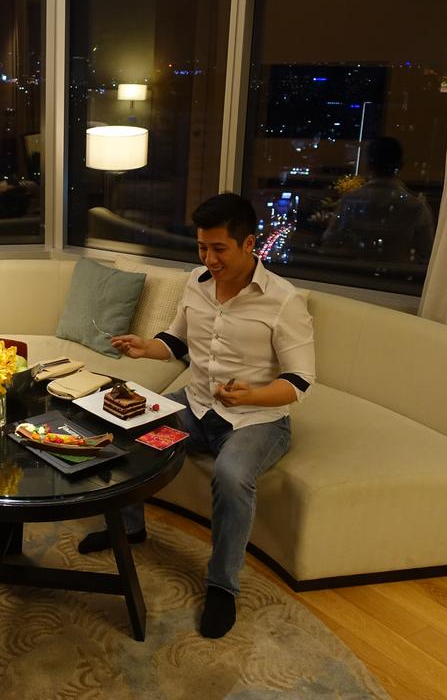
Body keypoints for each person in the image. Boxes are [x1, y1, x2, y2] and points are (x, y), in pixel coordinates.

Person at [78, 192, 315, 639]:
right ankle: (129, 528)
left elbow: (300, 382)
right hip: (197, 404)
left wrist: (256, 395)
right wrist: (147, 347)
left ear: (249, 244)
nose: (209, 258)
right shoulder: (197, 281)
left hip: (258, 420)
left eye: (219, 248)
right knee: (130, 430)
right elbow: (179, 341)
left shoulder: (284, 302)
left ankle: (222, 586)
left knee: (230, 475)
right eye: (202, 247)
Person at [320, 137, 435, 264]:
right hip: (398, 277)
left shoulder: (351, 201)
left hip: (353, 274)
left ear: (368, 163)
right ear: (401, 164)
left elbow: (329, 241)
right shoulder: (416, 206)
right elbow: (427, 252)